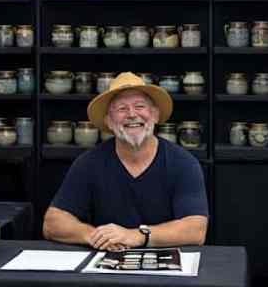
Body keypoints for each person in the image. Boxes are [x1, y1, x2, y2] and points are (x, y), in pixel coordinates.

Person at [42, 72, 209, 251]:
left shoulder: (183, 163)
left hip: (167, 271)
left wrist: (136, 236)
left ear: (155, 115)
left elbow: (195, 229)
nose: (131, 115)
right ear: (109, 121)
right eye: (121, 109)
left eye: (140, 106)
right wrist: (94, 235)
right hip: (106, 267)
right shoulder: (88, 163)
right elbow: (53, 223)